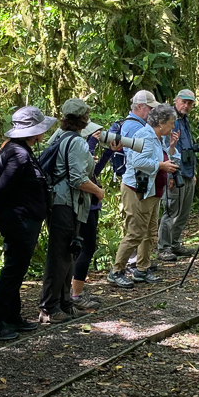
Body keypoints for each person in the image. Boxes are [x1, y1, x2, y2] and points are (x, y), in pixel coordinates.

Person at [0, 106, 53, 340]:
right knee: (13, 271)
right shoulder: (19, 154)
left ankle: (13, 317)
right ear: (33, 132)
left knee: (16, 269)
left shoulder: (18, 149)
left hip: (23, 218)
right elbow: (2, 189)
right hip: (19, 221)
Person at [39, 98, 103, 323]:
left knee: (69, 254)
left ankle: (65, 304)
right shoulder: (76, 142)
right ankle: (49, 308)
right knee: (60, 256)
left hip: (63, 203)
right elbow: (77, 179)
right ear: (84, 119)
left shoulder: (60, 135)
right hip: (65, 204)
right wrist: (98, 191)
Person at [107, 103, 180, 288]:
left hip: (152, 190)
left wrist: (171, 147)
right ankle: (116, 271)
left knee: (148, 232)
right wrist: (161, 166)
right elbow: (138, 161)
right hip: (136, 189)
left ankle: (142, 268)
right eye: (171, 123)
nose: (172, 127)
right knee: (135, 232)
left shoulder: (159, 138)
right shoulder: (144, 136)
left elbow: (166, 156)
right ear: (161, 123)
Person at [72, 121, 110, 311]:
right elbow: (83, 173)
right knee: (86, 248)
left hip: (91, 206)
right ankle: (76, 295)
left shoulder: (82, 150)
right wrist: (91, 143)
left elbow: (93, 171)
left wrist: (110, 152)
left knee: (86, 248)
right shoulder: (78, 148)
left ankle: (75, 291)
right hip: (84, 206)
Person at [157, 88, 198, 261]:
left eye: (190, 103)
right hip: (174, 172)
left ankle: (175, 244)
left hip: (187, 172)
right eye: (184, 102)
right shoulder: (169, 119)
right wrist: (171, 175)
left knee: (184, 212)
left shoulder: (185, 120)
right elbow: (166, 148)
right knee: (171, 210)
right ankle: (164, 247)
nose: (186, 106)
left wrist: (193, 172)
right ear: (176, 101)